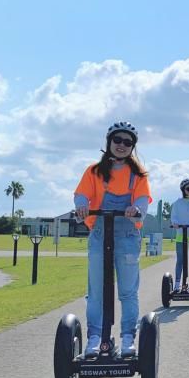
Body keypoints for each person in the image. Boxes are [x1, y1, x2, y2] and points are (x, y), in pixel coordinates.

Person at [74, 121, 152, 359]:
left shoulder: (138, 175)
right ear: (109, 142)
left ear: (132, 147)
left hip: (127, 236)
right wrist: (82, 207)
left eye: (127, 142)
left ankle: (128, 336)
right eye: (117, 140)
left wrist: (135, 210)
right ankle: (95, 338)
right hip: (99, 234)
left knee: (128, 292)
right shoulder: (94, 171)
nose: (121, 145)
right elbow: (81, 195)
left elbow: (142, 201)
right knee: (96, 291)